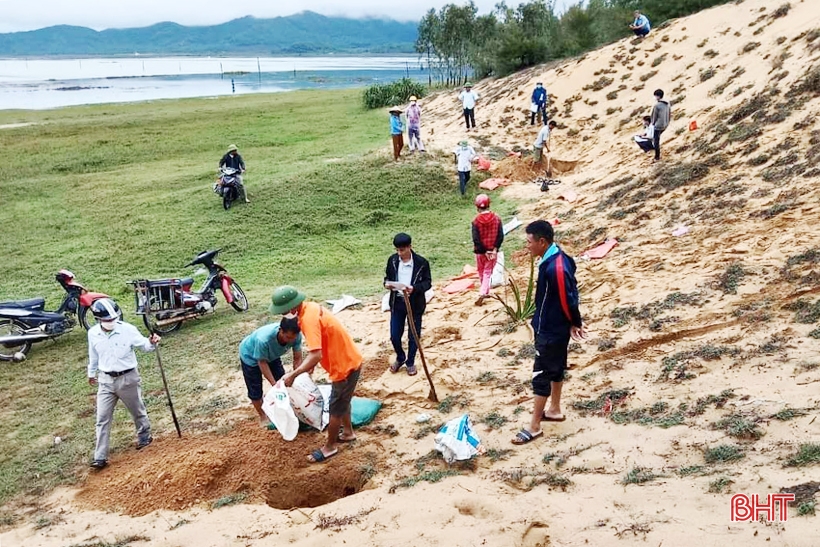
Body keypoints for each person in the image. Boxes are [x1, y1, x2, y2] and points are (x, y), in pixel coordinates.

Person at [512, 221, 587, 445]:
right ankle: (554, 409)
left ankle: (534, 426)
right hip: (555, 326)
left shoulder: (556, 267)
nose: (528, 247)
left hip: (551, 329)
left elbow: (568, 298)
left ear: (542, 242)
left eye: (529, 242)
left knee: (541, 373)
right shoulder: (558, 259)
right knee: (556, 367)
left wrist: (575, 321)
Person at [272, 286, 363, 464]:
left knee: (336, 407)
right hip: (350, 358)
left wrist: (294, 374)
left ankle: (330, 447)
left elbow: (316, 354)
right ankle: (348, 432)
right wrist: (310, 365)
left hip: (343, 366)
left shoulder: (307, 319)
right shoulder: (310, 307)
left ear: (290, 308)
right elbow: (318, 347)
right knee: (343, 401)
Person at [86, 298, 161, 469]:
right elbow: (93, 355)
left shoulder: (127, 329)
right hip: (105, 381)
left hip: (128, 378)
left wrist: (151, 342)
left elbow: (143, 345)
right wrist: (92, 373)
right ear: (98, 319)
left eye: (113, 319)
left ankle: (144, 436)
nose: (111, 322)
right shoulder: (92, 334)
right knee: (102, 418)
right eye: (107, 320)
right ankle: (100, 456)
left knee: (137, 411)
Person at [238, 317, 303, 427]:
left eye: (293, 337)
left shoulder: (296, 336)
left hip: (272, 355)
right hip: (250, 357)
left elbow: (297, 359)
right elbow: (262, 363)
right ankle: (263, 417)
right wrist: (274, 385)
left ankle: (287, 409)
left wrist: (296, 376)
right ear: (280, 331)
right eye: (288, 337)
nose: (291, 340)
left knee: (283, 382)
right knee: (255, 389)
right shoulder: (263, 340)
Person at [384, 233, 432, 376]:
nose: (400, 253)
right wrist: (387, 285)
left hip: (414, 303)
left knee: (414, 335)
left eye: (403, 250)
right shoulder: (392, 261)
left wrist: (415, 288)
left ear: (410, 247)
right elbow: (387, 277)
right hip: (397, 302)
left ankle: (410, 362)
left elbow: (428, 283)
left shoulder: (421, 263)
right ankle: (400, 357)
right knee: (394, 335)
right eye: (397, 250)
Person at [471, 194, 504, 307]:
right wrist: (494, 249)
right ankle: (484, 291)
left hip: (480, 252)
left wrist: (484, 251)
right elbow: (500, 235)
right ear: (489, 205)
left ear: (477, 207)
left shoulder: (475, 221)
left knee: (481, 271)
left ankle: (483, 291)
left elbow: (476, 239)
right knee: (487, 272)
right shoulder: (497, 219)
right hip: (492, 250)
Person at [650, 89, 671, 162]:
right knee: (656, 139)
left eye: (655, 95)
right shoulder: (667, 103)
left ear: (658, 96)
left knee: (656, 141)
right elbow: (669, 113)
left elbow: (654, 116)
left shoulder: (657, 105)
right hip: (665, 124)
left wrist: (652, 124)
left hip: (658, 125)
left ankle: (657, 156)